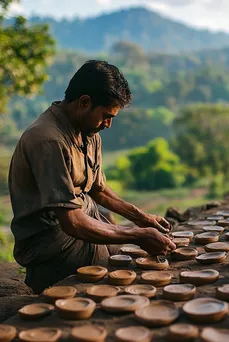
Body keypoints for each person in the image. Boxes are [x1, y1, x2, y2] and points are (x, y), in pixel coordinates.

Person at [8, 60, 176, 294]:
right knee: (122, 285)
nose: (108, 124)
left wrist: (141, 218)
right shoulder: (48, 140)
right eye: (106, 116)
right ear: (84, 102)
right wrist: (137, 235)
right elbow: (72, 222)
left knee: (136, 266)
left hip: (85, 228)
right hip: (55, 246)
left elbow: (97, 189)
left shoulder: (88, 130)